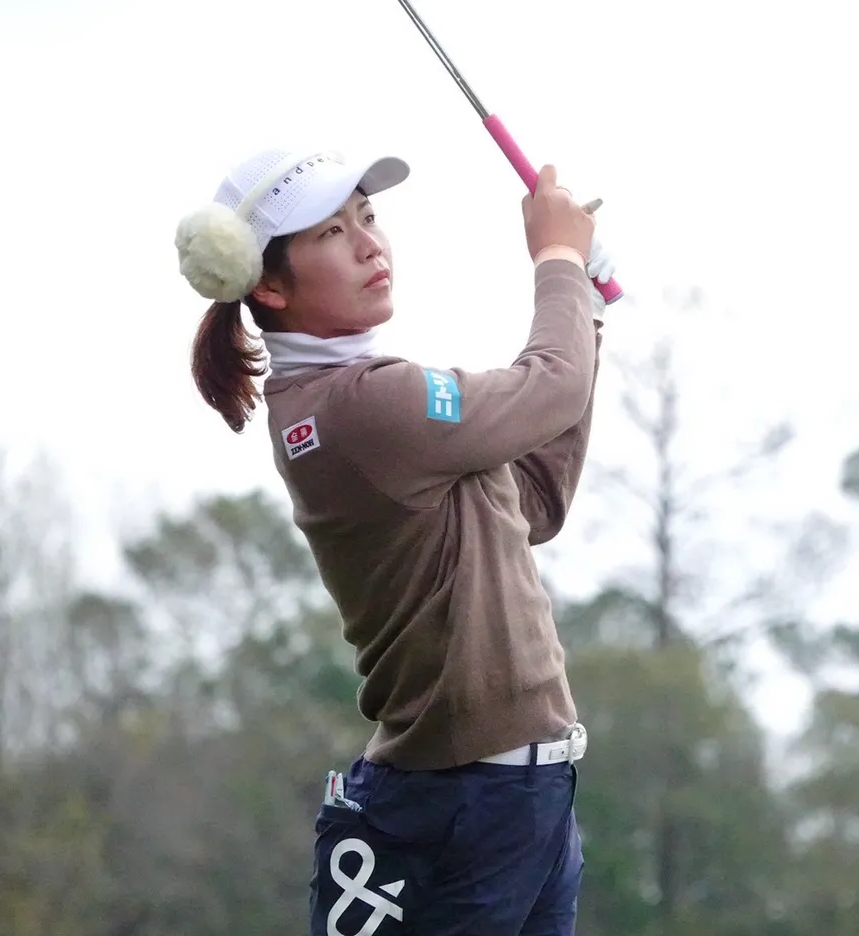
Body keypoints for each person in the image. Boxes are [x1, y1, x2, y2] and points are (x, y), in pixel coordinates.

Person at [173, 146, 617, 936]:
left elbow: (533, 504)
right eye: (331, 233)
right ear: (268, 285)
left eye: (368, 217)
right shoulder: (362, 405)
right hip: (466, 806)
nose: (370, 244)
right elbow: (550, 387)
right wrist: (557, 259)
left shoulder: (353, 403)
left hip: (521, 800)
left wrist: (583, 306)